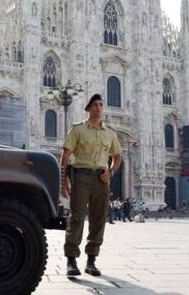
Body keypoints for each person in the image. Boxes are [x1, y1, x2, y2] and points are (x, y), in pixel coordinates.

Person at [61, 94, 122, 277]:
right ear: (88, 108)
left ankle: (91, 261)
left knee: (98, 220)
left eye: (101, 105)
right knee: (77, 218)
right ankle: (71, 260)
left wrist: (110, 172)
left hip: (101, 180)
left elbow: (117, 157)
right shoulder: (78, 130)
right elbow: (65, 157)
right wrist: (63, 181)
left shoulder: (110, 133)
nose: (98, 108)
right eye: (95, 105)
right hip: (81, 177)